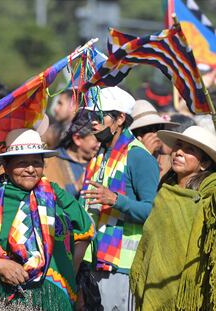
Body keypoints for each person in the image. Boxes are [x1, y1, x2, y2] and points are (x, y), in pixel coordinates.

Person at [0, 128, 95, 310]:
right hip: (4, 300)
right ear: (6, 165)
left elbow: (85, 229)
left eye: (36, 162)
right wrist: (1, 267)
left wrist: (69, 274)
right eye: (22, 163)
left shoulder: (56, 195)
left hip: (54, 300)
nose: (31, 169)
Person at [130, 126, 216, 310]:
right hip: (156, 286)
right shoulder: (165, 193)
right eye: (178, 146)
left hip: (195, 293)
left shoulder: (214, 196)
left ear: (204, 164)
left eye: (189, 149)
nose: (178, 152)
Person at [80, 86, 160, 310]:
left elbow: (152, 212)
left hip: (123, 266)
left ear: (120, 118)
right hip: (95, 260)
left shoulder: (138, 156)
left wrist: (116, 200)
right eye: (91, 116)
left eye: (99, 116)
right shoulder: (101, 153)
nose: (93, 122)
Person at [44, 110, 100, 199]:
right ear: (77, 138)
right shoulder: (50, 162)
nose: (100, 145)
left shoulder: (100, 161)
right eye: (97, 139)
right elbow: (47, 198)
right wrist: (77, 186)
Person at [130, 99, 178, 177]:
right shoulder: (125, 161)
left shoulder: (171, 163)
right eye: (147, 129)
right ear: (135, 136)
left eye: (158, 127)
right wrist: (145, 156)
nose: (155, 133)